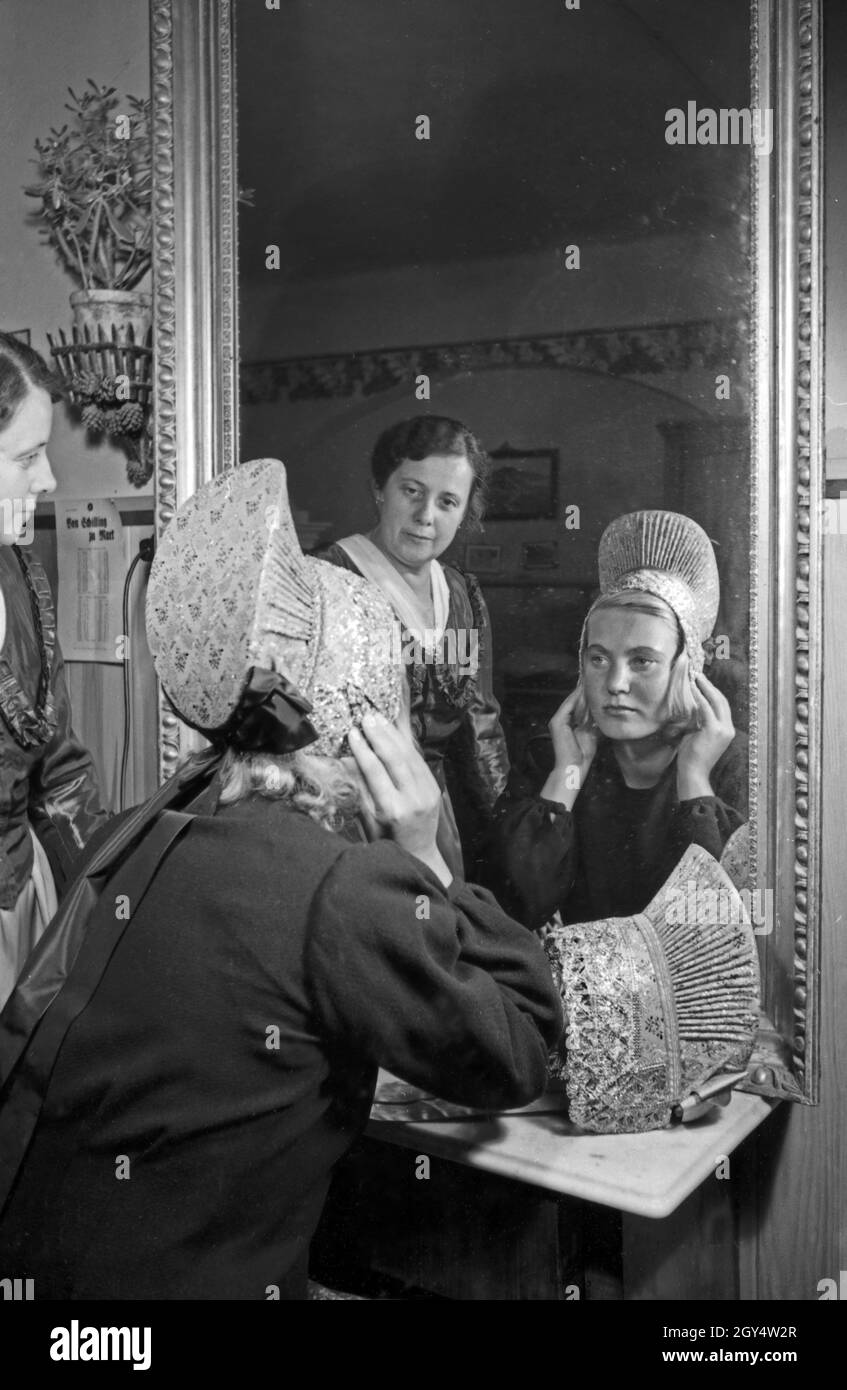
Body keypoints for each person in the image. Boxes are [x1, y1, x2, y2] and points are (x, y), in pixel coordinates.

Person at [0, 457, 562, 1300]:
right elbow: (518, 1051)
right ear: (369, 731)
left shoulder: (142, 824)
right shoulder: (344, 887)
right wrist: (430, 862)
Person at [486, 510, 747, 930]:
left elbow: (720, 935)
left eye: (642, 660)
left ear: (687, 669)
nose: (615, 684)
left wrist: (694, 776)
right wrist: (566, 777)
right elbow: (512, 913)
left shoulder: (735, 764)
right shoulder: (550, 758)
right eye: (599, 658)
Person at [317, 414, 509, 880]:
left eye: (447, 501)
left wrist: (506, 833)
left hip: (437, 818)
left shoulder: (460, 596)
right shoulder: (329, 577)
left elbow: (479, 725)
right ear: (380, 489)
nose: (426, 516)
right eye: (412, 491)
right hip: (349, 819)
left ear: (465, 512)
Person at [0, 331, 107, 1009]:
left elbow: (58, 768)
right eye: (28, 457)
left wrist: (106, 894)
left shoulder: (17, 569)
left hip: (24, 897)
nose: (49, 480)